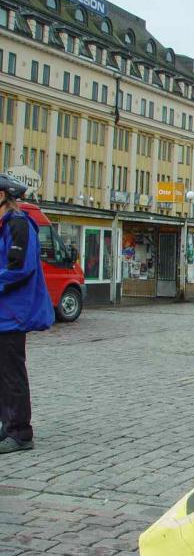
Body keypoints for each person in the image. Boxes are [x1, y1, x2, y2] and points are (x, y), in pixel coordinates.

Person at [0, 174, 55, 454]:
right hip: (3, 313)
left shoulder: (18, 224)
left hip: (11, 314)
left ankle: (20, 433)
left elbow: (19, 268)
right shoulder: (4, 225)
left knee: (11, 374)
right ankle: (6, 425)